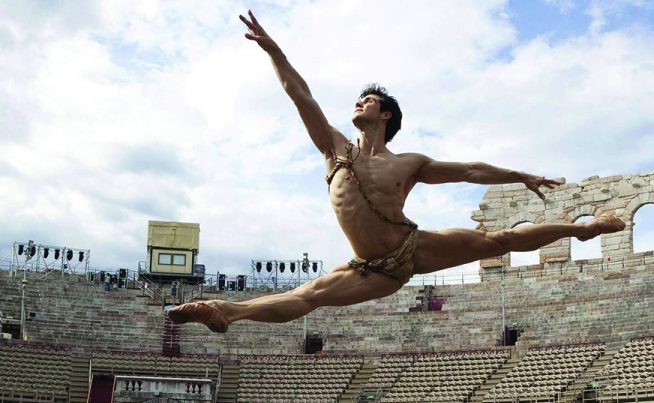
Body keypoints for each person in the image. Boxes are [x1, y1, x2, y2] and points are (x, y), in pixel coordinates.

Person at [168, 10, 625, 334]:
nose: (358, 104)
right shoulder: (334, 149)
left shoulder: (408, 164)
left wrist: (519, 175)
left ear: (385, 116)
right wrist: (275, 53)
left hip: (413, 248)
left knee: (498, 241)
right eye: (358, 100)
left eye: (367, 101)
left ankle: (582, 229)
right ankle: (225, 311)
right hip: (371, 269)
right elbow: (301, 96)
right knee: (308, 296)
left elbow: (469, 170)